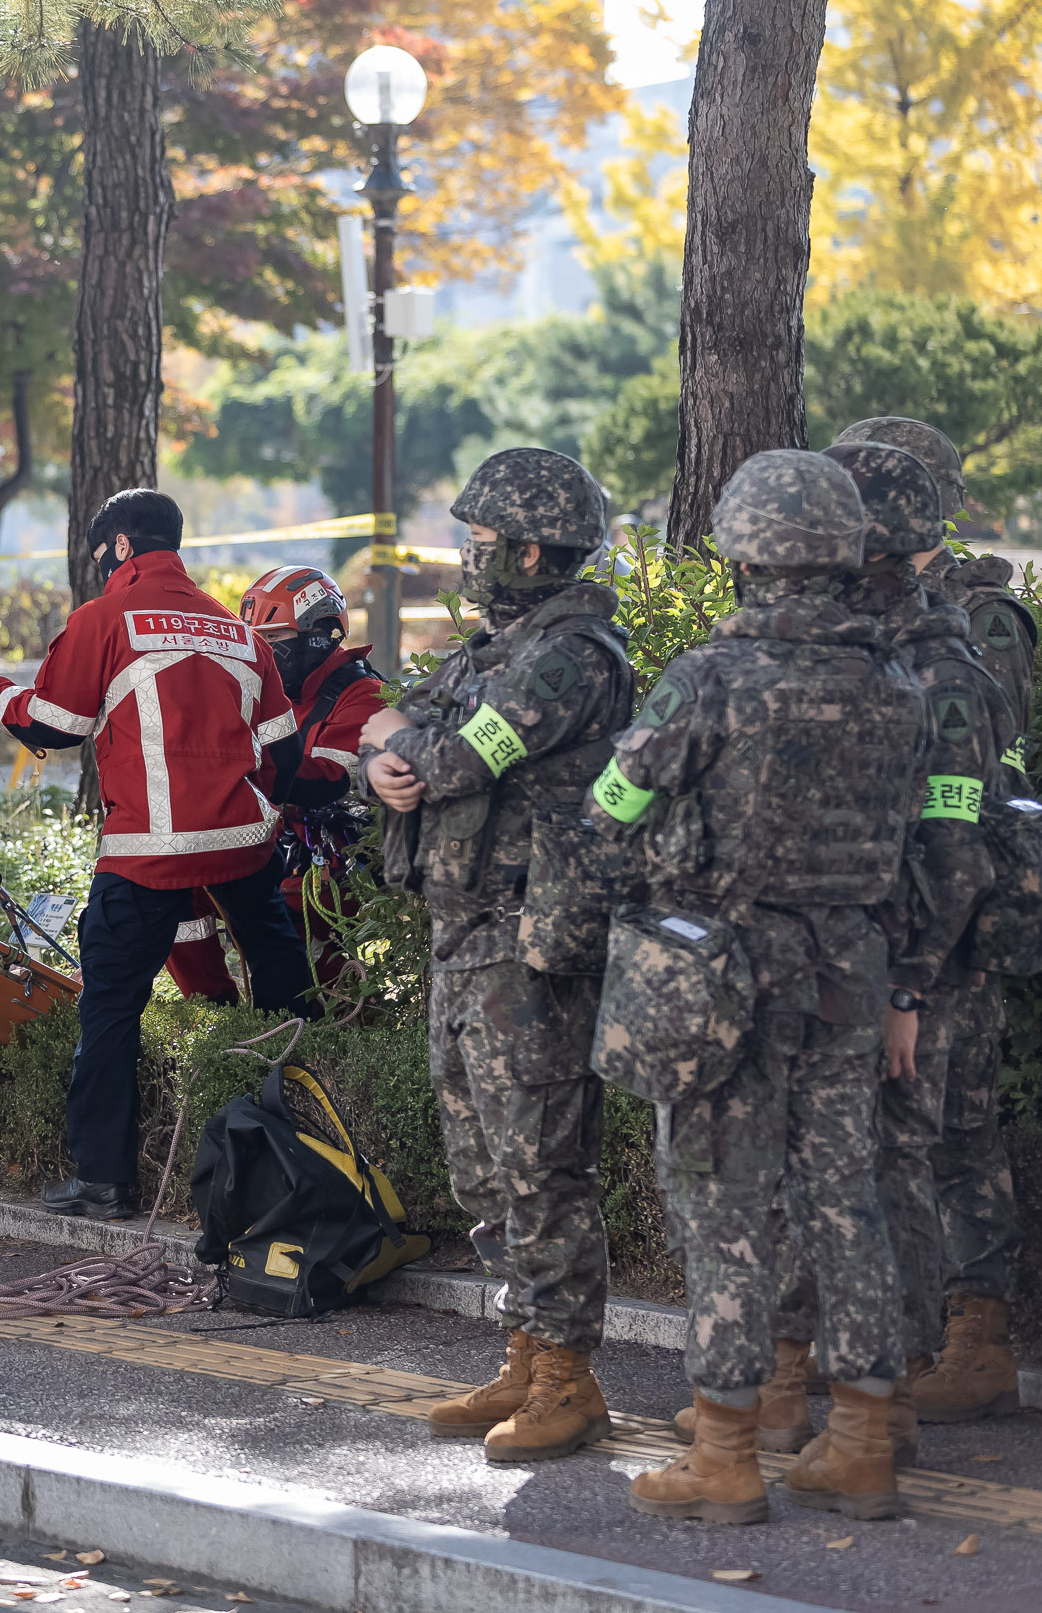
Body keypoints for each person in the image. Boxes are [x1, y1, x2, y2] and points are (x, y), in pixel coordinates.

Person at [593, 450, 930, 1525]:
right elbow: (918, 845)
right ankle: (863, 1440)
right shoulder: (897, 680)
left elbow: (613, 807)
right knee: (846, 1197)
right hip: (851, 964)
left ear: (742, 551)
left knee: (723, 1207)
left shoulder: (709, 677)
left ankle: (725, 1457)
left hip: (723, 973)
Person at [735, 441, 1009, 1471]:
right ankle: (786, 1390)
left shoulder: (937, 667)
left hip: (905, 976)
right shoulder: (878, 651)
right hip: (862, 967)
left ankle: (862, 1410)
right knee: (826, 1179)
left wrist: (905, 986)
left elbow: (952, 839)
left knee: (874, 1180)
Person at [358, 448, 633, 1464]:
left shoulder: (571, 655)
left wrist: (395, 744)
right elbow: (404, 734)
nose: (465, 562)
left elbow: (460, 752)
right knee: (481, 1162)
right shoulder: (493, 647)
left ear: (528, 549)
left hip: (533, 941)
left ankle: (569, 1374)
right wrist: (376, 752)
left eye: (477, 545)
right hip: (465, 931)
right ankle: (524, 1350)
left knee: (541, 1158)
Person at [0, 489, 311, 1222]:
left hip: (148, 850)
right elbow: (286, 750)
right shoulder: (237, 632)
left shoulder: (104, 619)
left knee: (111, 1009)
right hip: (243, 843)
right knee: (283, 975)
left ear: (117, 547)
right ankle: (308, 1130)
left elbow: (53, 726)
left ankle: (105, 1179)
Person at [838, 416, 1038, 1426]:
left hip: (952, 906)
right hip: (891, 901)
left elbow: (966, 772)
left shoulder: (977, 618)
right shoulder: (854, 608)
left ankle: (976, 1333)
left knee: (952, 1125)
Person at [167, 566, 386, 1002]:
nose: (260, 654)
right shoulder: (267, 689)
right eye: (254, 641)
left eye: (273, 641)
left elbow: (329, 779)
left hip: (339, 855)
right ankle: (213, 1007)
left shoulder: (362, 694)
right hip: (273, 841)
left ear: (320, 633)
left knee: (291, 907)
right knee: (175, 886)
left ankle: (325, 1021)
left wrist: (236, 767)